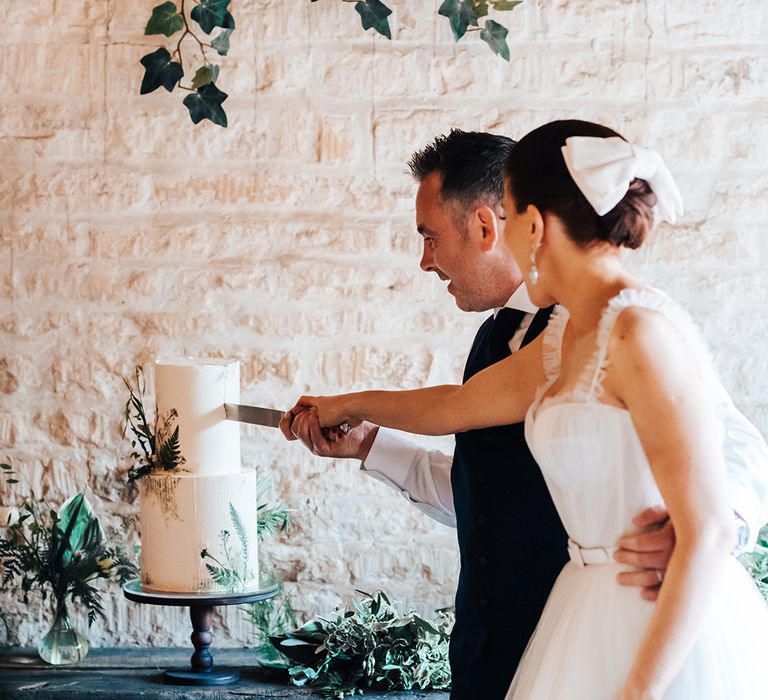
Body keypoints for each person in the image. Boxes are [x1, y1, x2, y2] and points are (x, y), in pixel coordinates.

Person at [283, 120, 768, 698]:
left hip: (642, 611)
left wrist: (706, 529)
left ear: (524, 224)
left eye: (430, 236)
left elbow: (735, 454)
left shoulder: (639, 329)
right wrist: (348, 413)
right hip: (551, 625)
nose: (424, 261)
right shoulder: (559, 341)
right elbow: (459, 411)